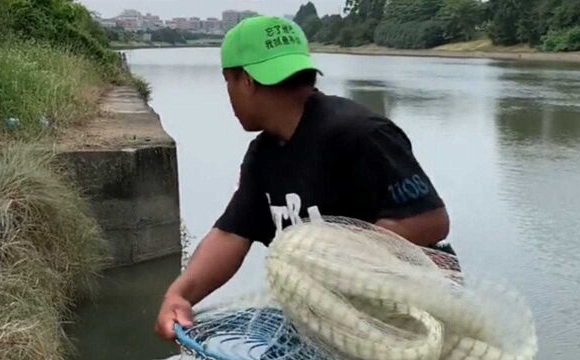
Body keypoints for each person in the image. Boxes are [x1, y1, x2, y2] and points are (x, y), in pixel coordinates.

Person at [155, 15, 451, 342]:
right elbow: (231, 234)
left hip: (397, 323)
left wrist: (327, 258)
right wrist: (179, 296)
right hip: (324, 325)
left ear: (247, 81)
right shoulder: (264, 154)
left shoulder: (361, 134)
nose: (229, 95)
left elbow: (429, 220)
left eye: (228, 81)